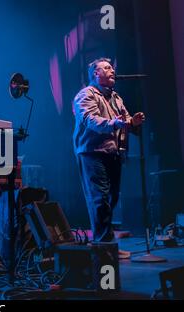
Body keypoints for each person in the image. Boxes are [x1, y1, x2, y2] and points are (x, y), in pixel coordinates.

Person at [73, 58, 146, 259]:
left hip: (113, 153)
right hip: (92, 152)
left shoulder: (116, 98)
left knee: (111, 198)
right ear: (95, 74)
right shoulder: (86, 95)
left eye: (112, 67)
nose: (112, 70)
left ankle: (106, 244)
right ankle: (104, 247)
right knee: (100, 199)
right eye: (106, 67)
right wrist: (116, 123)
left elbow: (125, 122)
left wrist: (134, 122)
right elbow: (91, 120)